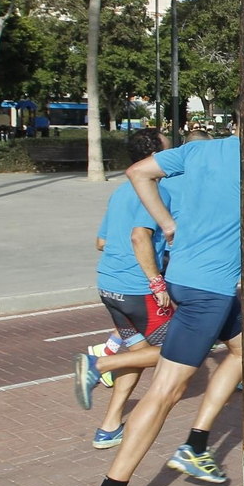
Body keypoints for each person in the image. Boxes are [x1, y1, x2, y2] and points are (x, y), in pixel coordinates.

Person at [72, 135, 244, 486]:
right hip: (209, 290)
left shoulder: (200, 150)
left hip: (185, 275)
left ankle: (196, 444)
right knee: (165, 391)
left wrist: (169, 225)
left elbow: (137, 172)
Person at [80, 128, 177, 447]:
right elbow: (139, 236)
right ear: (155, 156)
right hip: (138, 289)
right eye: (168, 150)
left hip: (109, 287)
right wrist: (157, 281)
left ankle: (109, 427)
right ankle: (99, 363)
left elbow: (101, 241)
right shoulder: (156, 192)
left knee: (138, 354)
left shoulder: (121, 191)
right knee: (180, 351)